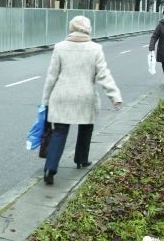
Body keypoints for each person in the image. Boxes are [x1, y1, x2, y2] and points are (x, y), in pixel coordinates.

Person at [40, 15, 123, 185]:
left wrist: (45, 100)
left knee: (60, 131)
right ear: (88, 29)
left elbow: (51, 77)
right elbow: (103, 74)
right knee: (86, 128)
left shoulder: (60, 47)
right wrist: (114, 96)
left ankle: (50, 168)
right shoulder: (95, 48)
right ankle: (81, 159)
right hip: (85, 96)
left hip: (61, 95)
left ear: (71, 28)